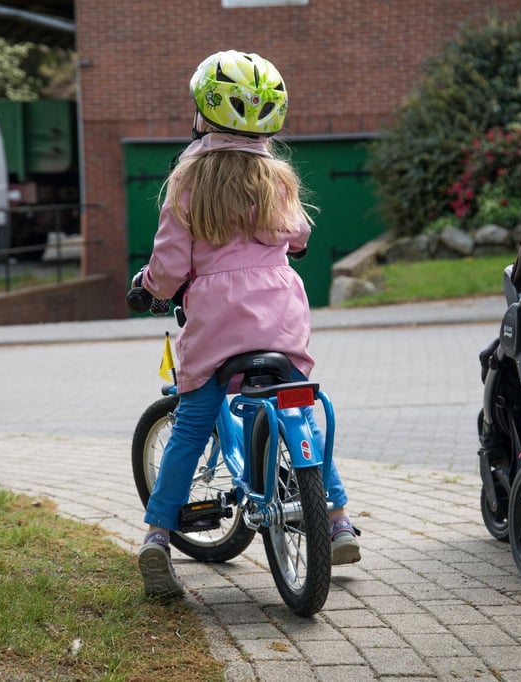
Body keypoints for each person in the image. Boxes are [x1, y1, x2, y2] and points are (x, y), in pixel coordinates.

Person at [132, 50, 361, 599]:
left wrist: (147, 287)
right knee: (300, 410)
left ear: (203, 114)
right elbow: (299, 235)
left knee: (191, 424)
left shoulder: (189, 181)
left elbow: (168, 268)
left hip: (216, 320)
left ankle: (158, 536)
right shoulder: (276, 175)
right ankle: (337, 519)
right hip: (280, 312)